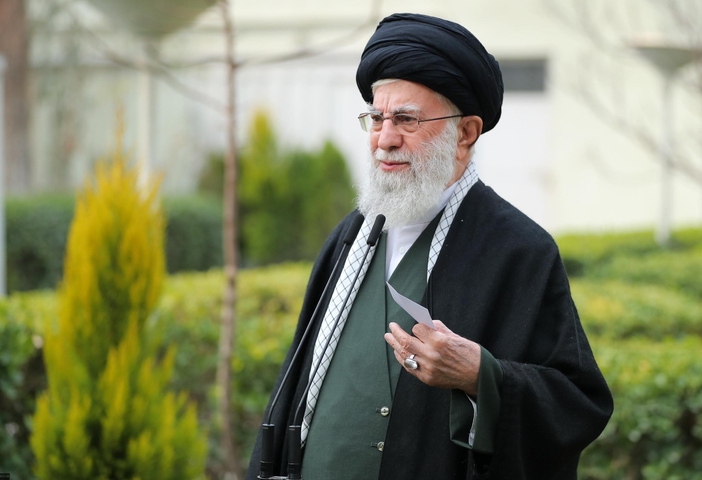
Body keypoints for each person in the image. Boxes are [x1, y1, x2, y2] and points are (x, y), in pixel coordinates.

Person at [247, 13, 613, 480]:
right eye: (376, 119)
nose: (385, 139)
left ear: (466, 133)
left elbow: (576, 402)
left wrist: (481, 375)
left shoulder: (519, 250)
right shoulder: (350, 237)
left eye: (406, 119)